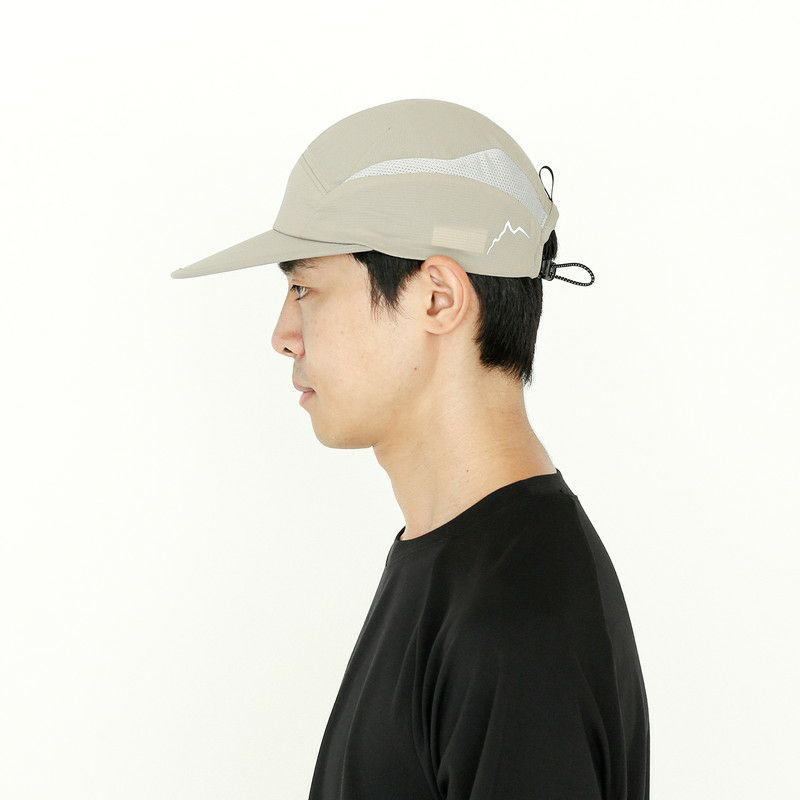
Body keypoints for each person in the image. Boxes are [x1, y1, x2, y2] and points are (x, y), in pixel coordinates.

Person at [171, 98, 649, 799]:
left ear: (437, 299)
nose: (283, 335)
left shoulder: (519, 622)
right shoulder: (461, 564)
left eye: (304, 287)